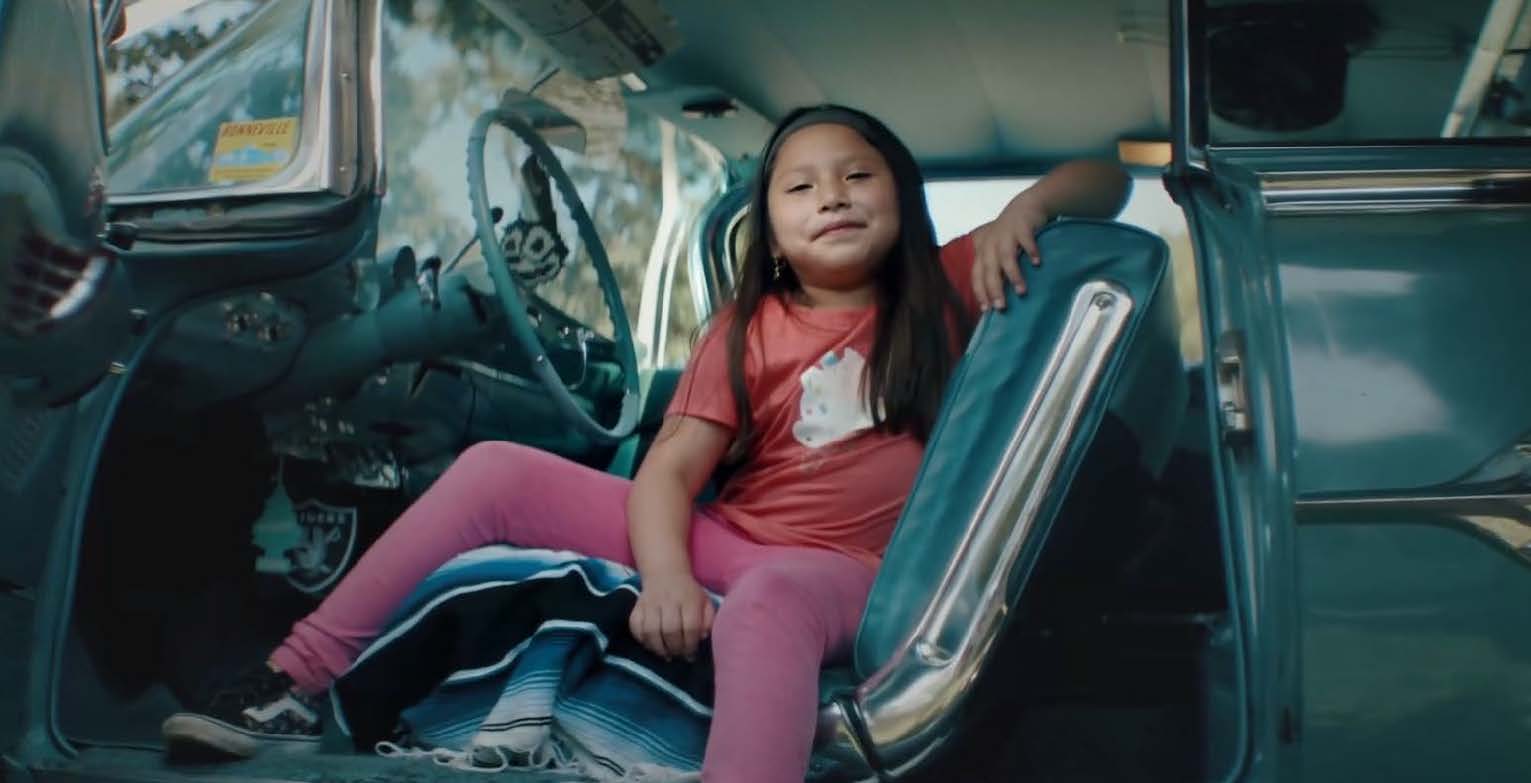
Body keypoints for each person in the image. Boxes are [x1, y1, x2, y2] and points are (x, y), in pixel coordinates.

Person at [161, 104, 1129, 782]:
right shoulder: (743, 330)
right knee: (493, 469)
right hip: (729, 536)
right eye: (800, 187)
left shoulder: (950, 287)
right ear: (774, 236)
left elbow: (1111, 173)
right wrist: (667, 577)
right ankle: (290, 678)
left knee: (769, 601)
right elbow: (669, 471)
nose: (831, 196)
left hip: (851, 572)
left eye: (857, 176)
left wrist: (1027, 208)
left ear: (901, 197)